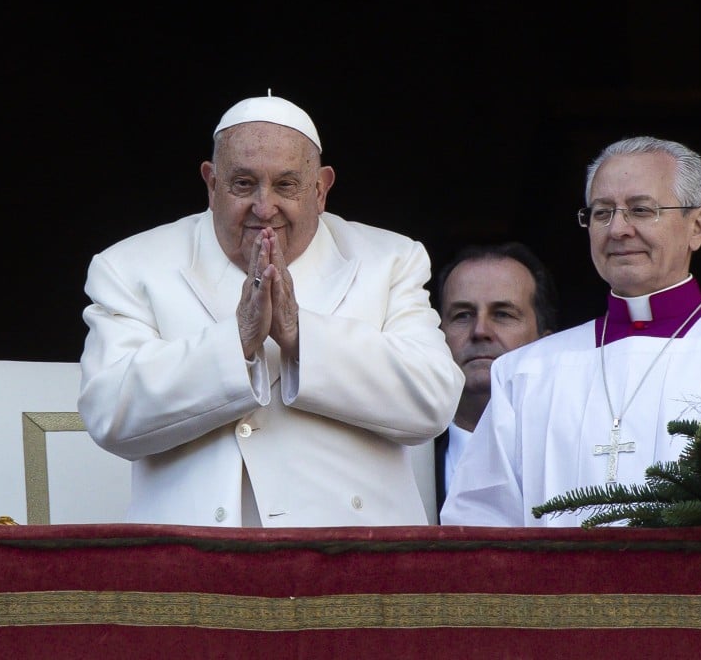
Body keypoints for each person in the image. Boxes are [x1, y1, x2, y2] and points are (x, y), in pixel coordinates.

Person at [78, 92, 465, 527]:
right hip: (194, 555)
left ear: (320, 189)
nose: (264, 208)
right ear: (210, 183)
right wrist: (238, 342)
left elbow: (433, 401)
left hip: (355, 552)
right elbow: (110, 412)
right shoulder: (132, 265)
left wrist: (300, 335)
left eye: (286, 185)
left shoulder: (390, 259)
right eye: (243, 184)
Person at [441, 136, 701, 527]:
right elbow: (480, 523)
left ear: (697, 226)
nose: (618, 229)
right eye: (602, 213)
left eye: (640, 210)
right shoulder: (524, 373)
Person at [432, 242, 558, 522]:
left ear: (547, 343)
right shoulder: (400, 461)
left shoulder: (568, 456)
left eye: (503, 314)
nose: (480, 331)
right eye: (462, 315)